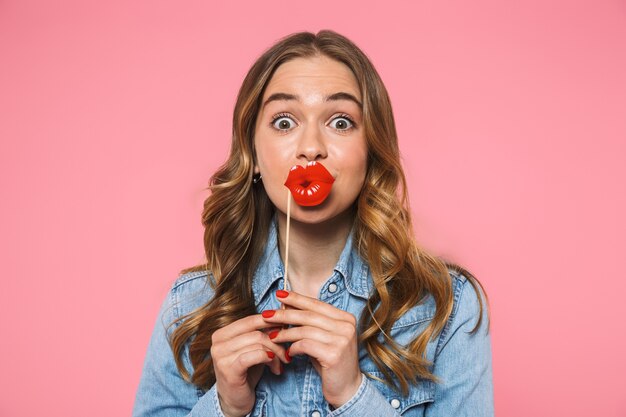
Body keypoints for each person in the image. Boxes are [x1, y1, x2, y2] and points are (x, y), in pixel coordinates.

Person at [132, 30, 494, 417]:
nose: (311, 147)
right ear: (252, 152)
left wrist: (354, 396)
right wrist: (226, 406)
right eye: (284, 122)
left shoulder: (446, 306)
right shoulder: (189, 306)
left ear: (371, 150)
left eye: (340, 122)